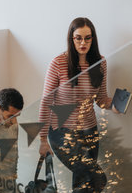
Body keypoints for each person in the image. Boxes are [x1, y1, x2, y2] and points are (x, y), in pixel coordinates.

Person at [39, 17, 119, 193]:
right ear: (71, 38)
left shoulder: (100, 63)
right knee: (98, 178)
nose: (83, 42)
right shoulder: (58, 63)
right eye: (78, 38)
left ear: (93, 39)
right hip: (62, 132)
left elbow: (101, 98)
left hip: (90, 131)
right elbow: (45, 102)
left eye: (87, 38)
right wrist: (43, 139)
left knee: (83, 185)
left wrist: (115, 105)